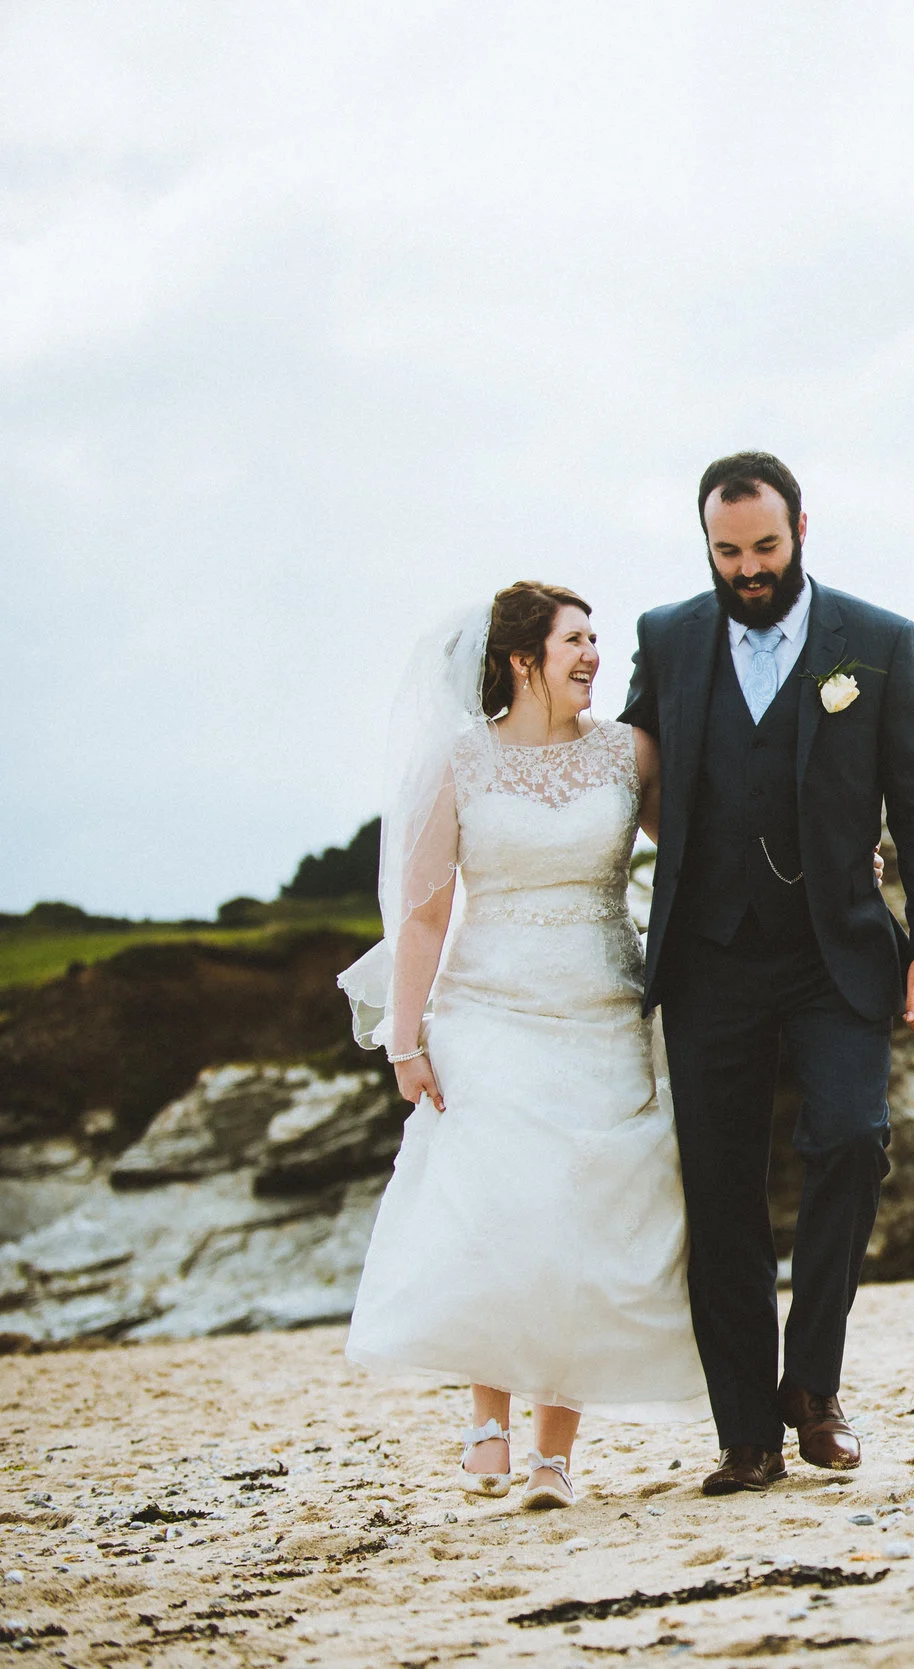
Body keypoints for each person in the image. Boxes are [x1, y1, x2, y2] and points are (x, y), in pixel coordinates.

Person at [620, 450, 914, 1495]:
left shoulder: (879, 640)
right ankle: (746, 1437)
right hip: (711, 954)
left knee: (854, 1139)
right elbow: (632, 772)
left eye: (764, 547)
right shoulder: (667, 637)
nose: (748, 568)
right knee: (720, 1193)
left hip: (836, 948)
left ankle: (811, 1386)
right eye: (727, 552)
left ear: (801, 529)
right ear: (707, 545)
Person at [338, 583, 707, 1509]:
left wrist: (835, 853)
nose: (594, 655)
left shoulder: (631, 753)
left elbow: (706, 852)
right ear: (521, 659)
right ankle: (487, 1418)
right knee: (501, 1203)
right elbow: (422, 916)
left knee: (585, 1215)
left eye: (596, 640)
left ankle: (554, 1453)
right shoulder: (458, 765)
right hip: (488, 1010)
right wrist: (405, 1036)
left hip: (603, 1009)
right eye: (576, 640)